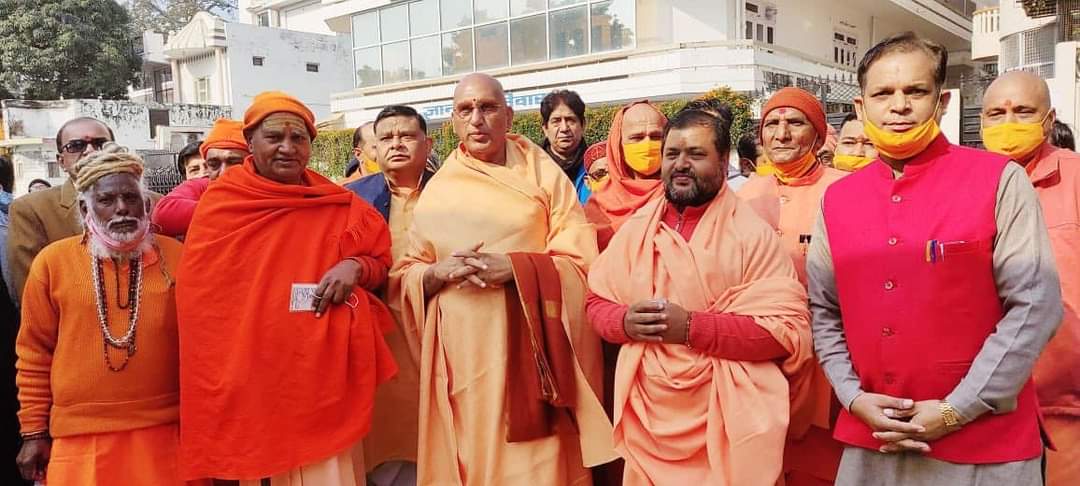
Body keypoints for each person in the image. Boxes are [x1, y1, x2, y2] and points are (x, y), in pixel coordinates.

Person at [808, 32, 1062, 486]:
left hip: (987, 447)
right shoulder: (837, 200)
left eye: (916, 91)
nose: (899, 105)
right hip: (873, 437)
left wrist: (954, 410)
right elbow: (824, 312)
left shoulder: (998, 181)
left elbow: (1035, 306)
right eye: (883, 93)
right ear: (861, 109)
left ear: (941, 102)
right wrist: (851, 396)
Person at [391, 73, 616, 485]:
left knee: (538, 462)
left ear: (509, 116)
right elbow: (405, 273)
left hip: (534, 352)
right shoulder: (439, 190)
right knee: (474, 456)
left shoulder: (543, 175)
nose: (477, 118)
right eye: (466, 110)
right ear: (454, 123)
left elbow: (581, 259)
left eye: (488, 107)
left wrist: (516, 269)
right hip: (463, 359)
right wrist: (433, 274)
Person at [586, 109, 819, 485]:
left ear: (724, 160)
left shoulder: (752, 235)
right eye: (671, 153)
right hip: (650, 420)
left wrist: (691, 328)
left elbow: (784, 334)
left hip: (729, 423)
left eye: (695, 154)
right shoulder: (637, 231)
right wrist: (623, 323)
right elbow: (596, 302)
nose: (680, 164)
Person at [176, 91, 397, 485]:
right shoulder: (222, 206)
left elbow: (380, 265)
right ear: (251, 143)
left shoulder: (337, 202)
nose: (287, 148)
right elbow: (202, 308)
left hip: (321, 380)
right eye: (274, 137)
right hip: (252, 385)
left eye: (299, 139)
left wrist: (355, 266)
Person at [13, 143, 201, 485]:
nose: (121, 209)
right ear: (86, 208)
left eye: (131, 199)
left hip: (167, 432)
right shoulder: (53, 263)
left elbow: (205, 348)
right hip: (79, 439)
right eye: (106, 200)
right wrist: (33, 431)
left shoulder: (179, 258)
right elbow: (33, 354)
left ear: (146, 205)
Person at [736, 86, 846, 486]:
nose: (781, 134)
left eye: (795, 123)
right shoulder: (743, 196)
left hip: (827, 357)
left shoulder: (845, 192)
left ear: (818, 135)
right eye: (772, 124)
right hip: (760, 357)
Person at [979, 70, 1080, 486]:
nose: (1008, 124)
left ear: (1049, 118)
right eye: (996, 114)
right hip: (984, 399)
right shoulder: (967, 182)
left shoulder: (1074, 178)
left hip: (1065, 404)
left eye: (1023, 112)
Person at [344, 105, 434, 486]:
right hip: (382, 337)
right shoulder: (350, 201)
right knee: (386, 445)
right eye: (386, 138)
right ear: (372, 150)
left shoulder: (456, 191)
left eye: (407, 136)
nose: (397, 144)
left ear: (428, 145)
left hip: (442, 331)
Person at [7, 117, 129, 302]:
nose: (90, 151)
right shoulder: (31, 210)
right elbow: (32, 298)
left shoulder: (151, 202)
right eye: (76, 146)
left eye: (100, 143)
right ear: (61, 161)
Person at [583, 101, 668, 250]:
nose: (647, 145)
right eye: (637, 138)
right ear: (618, 145)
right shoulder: (598, 205)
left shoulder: (684, 192)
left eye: (656, 136)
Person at [151, 119, 249, 239]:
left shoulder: (271, 191)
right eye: (214, 164)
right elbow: (163, 214)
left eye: (233, 162)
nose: (223, 172)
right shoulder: (204, 185)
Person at [541, 90, 591, 204]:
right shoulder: (532, 168)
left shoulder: (598, 167)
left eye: (570, 120)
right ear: (545, 128)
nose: (564, 128)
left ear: (583, 125)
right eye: (556, 121)